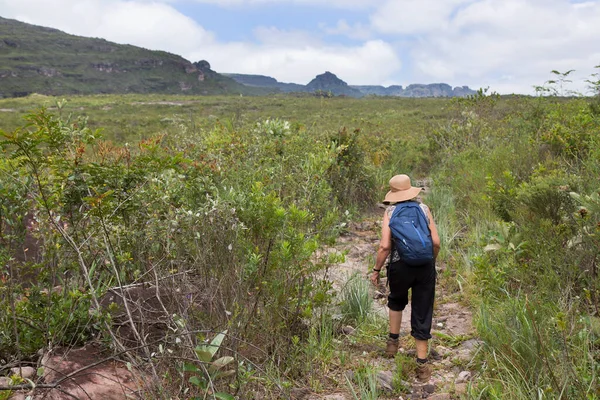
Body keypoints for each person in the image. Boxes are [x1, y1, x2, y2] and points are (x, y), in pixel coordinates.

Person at [370, 174, 440, 382]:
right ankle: (422, 365)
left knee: (396, 300)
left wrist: (376, 270)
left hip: (400, 266)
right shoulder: (424, 209)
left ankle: (392, 344)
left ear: (393, 193)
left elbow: (384, 246)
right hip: (425, 266)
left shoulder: (390, 211)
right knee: (422, 309)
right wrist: (430, 262)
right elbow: (435, 242)